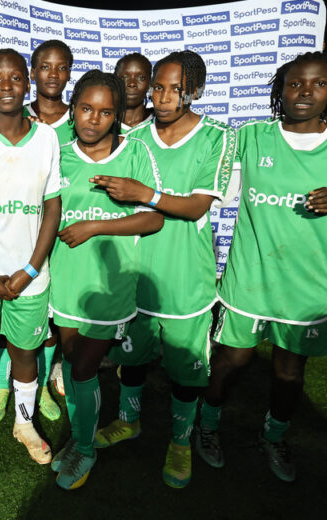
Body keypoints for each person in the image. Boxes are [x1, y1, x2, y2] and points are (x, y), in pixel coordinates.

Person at [199, 51, 327, 483]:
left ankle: (274, 435)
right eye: (295, 83)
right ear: (281, 89)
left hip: (306, 286)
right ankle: (205, 426)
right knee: (232, 359)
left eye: (318, 84)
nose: (305, 92)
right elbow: (224, 191)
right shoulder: (253, 135)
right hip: (250, 277)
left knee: (289, 370)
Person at [97, 50, 235, 489]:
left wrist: (146, 193)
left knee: (185, 369)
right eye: (158, 86)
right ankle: (129, 421)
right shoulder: (134, 139)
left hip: (185, 276)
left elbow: (196, 207)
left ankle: (179, 440)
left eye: (177, 88)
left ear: (195, 90)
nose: (164, 95)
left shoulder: (217, 136)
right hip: (134, 273)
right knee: (132, 356)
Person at [49, 70, 164, 490]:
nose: (93, 119)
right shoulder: (58, 152)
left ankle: (84, 447)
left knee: (83, 369)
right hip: (63, 281)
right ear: (73, 107)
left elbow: (153, 219)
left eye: (104, 112)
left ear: (117, 116)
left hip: (109, 287)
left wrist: (96, 227)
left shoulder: (134, 154)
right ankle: (81, 438)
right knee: (71, 361)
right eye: (85, 109)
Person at [0, 48, 62, 466]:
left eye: (16, 77)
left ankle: (24, 422)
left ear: (29, 83)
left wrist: (30, 268)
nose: (7, 86)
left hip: (30, 276)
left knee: (25, 351)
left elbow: (52, 206)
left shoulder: (47, 137)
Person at [24, 40, 75, 145]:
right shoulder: (17, 116)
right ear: (33, 74)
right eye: (45, 67)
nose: (53, 74)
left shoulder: (79, 118)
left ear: (69, 74)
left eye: (61, 68)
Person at [115, 53, 154, 131]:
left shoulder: (159, 122)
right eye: (124, 77)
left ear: (149, 84)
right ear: (115, 81)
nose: (132, 84)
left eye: (141, 78)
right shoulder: (105, 121)